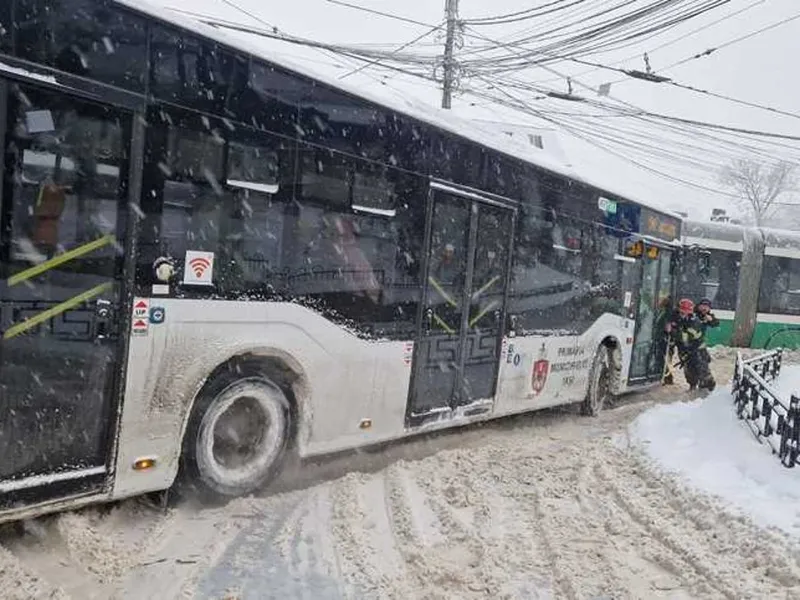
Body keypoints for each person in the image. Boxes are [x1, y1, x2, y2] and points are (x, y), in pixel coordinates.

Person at [669, 298, 716, 392]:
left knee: (703, 372)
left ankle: (708, 390)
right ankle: (692, 388)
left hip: (698, 350)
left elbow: (687, 337)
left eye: (685, 312)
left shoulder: (695, 321)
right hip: (685, 351)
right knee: (689, 372)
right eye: (681, 312)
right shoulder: (674, 318)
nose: (683, 314)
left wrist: (673, 331)